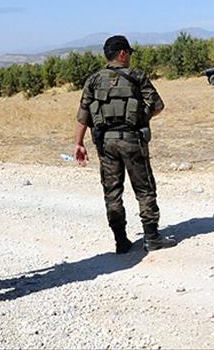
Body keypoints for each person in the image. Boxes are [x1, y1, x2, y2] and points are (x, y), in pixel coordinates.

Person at [74, 35, 176, 253]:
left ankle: (121, 241)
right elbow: (158, 105)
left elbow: (83, 116)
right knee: (144, 188)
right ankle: (152, 238)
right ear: (122, 53)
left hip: (106, 143)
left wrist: (78, 143)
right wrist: (140, 116)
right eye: (128, 52)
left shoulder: (93, 80)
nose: (129, 56)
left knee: (112, 192)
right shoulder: (136, 76)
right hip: (132, 140)